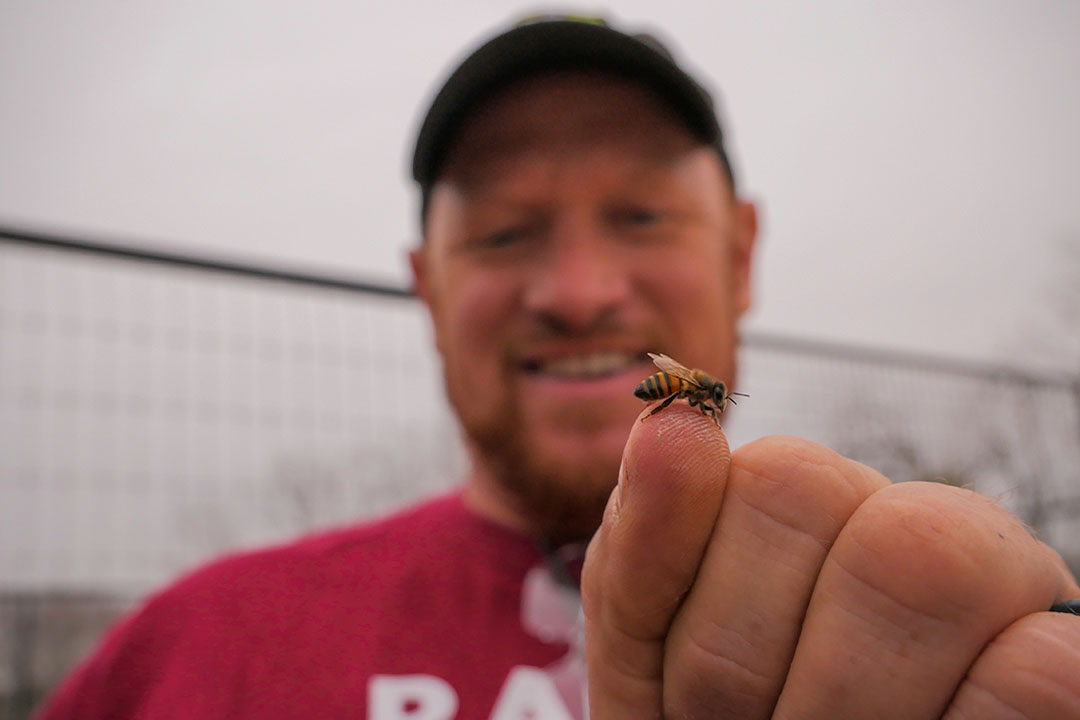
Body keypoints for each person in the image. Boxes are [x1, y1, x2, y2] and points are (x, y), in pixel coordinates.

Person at [38, 14, 1080, 720]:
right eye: (501, 232)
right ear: (426, 284)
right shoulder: (190, 652)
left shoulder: (936, 641)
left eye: (639, 213)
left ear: (742, 252)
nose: (579, 289)